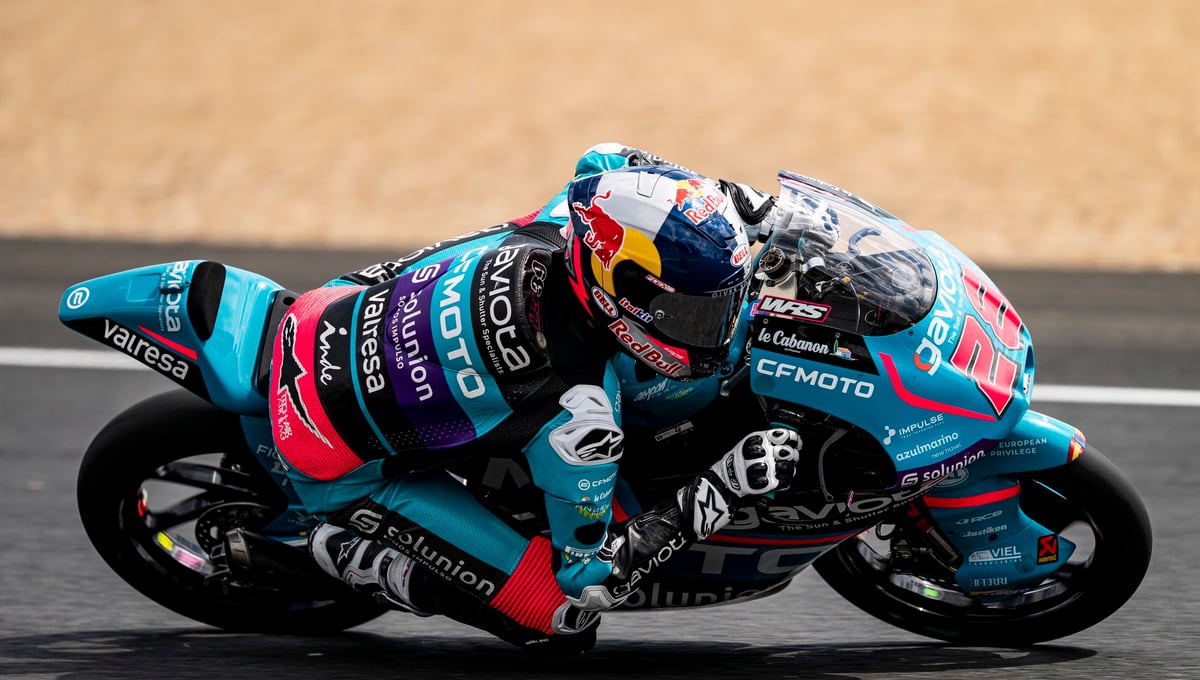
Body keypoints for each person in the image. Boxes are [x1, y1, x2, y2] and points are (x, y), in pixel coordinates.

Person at [269, 144, 799, 652]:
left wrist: (744, 208)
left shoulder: (572, 216)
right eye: (691, 314)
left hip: (324, 311)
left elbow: (610, 156)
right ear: (623, 291)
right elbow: (591, 580)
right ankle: (356, 557)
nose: (715, 329)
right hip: (326, 456)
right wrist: (725, 485)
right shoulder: (581, 411)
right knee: (560, 621)